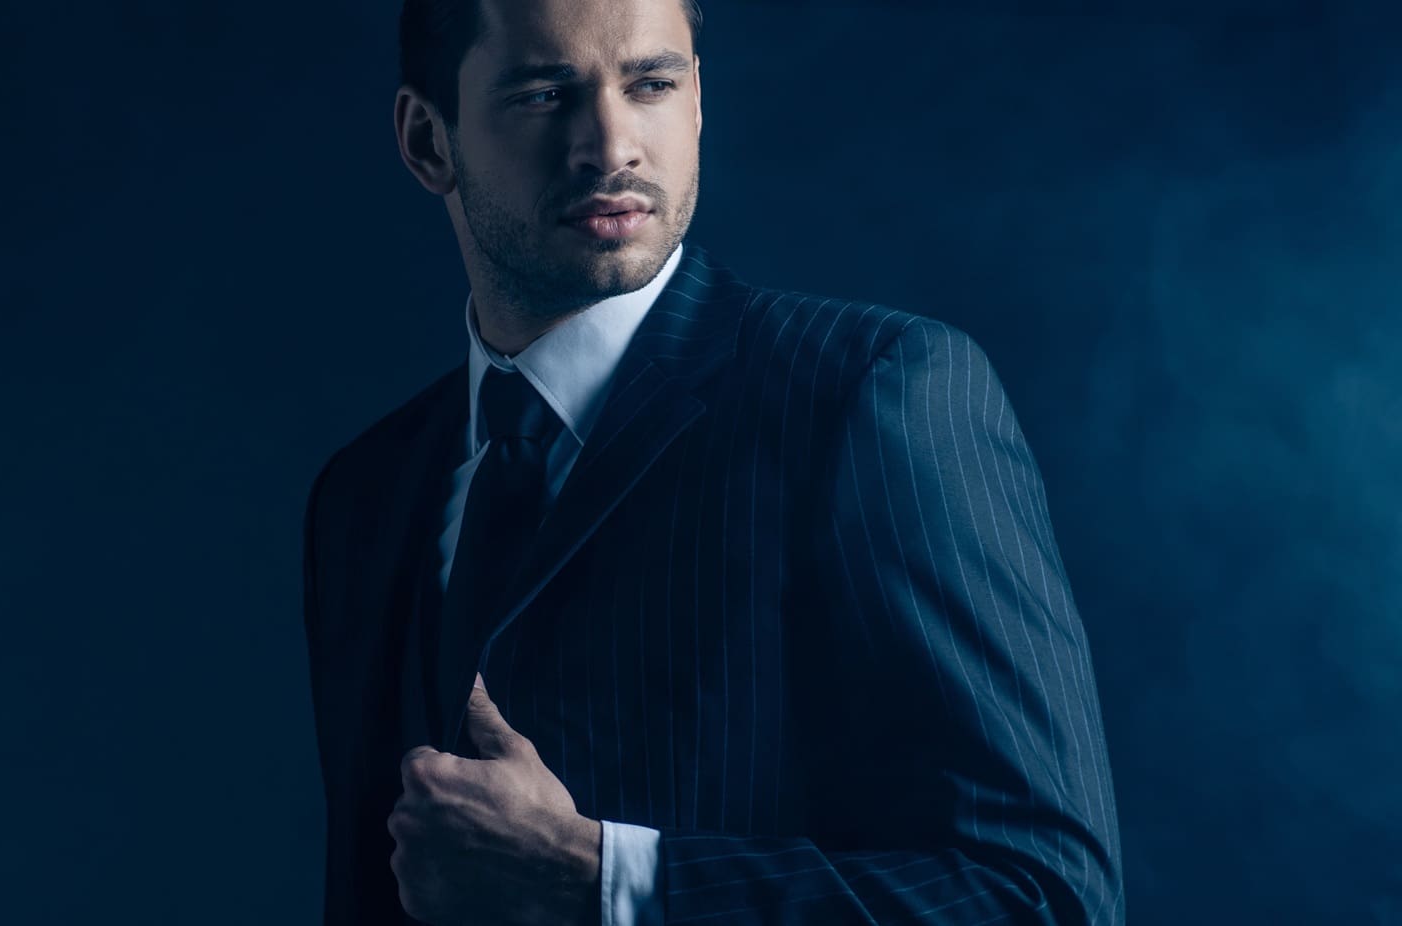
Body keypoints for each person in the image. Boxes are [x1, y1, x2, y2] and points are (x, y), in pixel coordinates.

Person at [299, 0, 1124, 922]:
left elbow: (1045, 899)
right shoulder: (364, 495)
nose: (611, 146)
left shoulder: (869, 392)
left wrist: (602, 880)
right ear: (427, 141)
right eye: (543, 94)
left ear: (696, 105)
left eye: (651, 84)